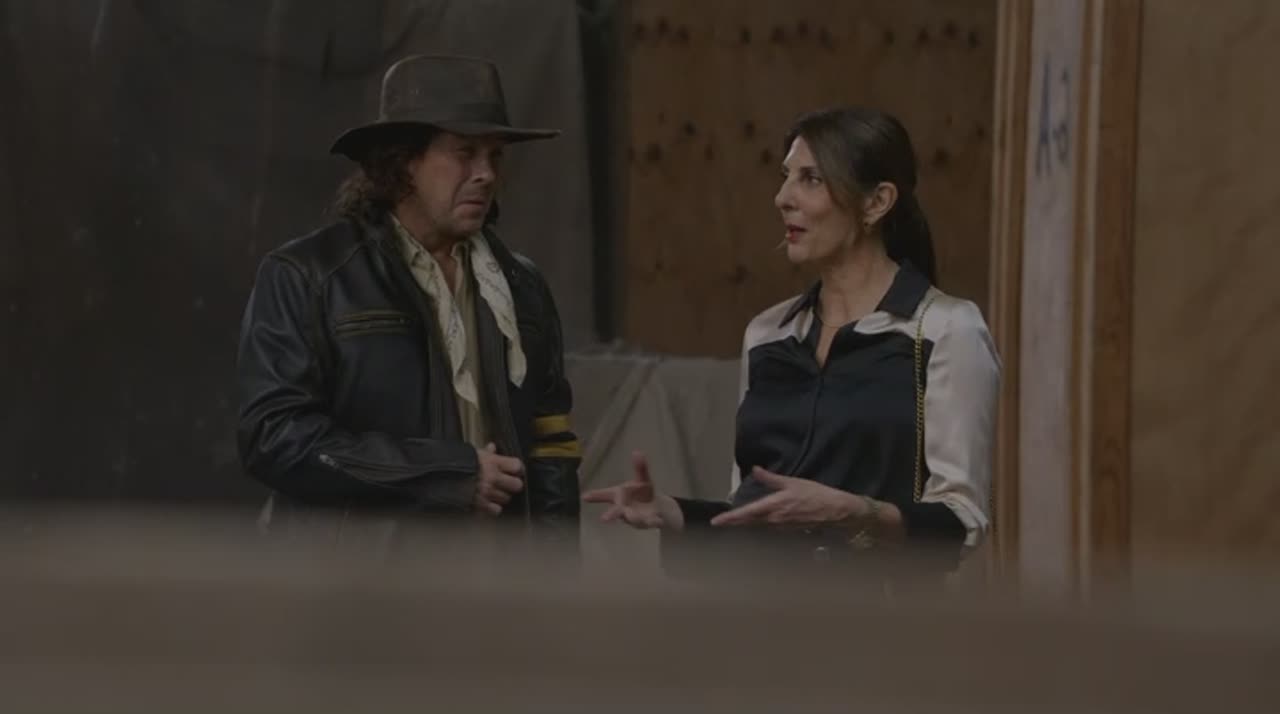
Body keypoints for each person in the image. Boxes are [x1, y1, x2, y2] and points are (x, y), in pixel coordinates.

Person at [583, 107, 1000, 583]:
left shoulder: (946, 329)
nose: (783, 198)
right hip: (762, 611)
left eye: (811, 179)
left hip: (876, 618)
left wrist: (855, 512)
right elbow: (754, 512)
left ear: (877, 202)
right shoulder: (768, 333)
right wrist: (674, 513)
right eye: (786, 177)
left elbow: (962, 521)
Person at [236, 54, 581, 556]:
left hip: (493, 582)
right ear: (403, 163)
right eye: (465, 153)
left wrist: (555, 579)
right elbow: (274, 438)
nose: (486, 174)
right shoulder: (309, 276)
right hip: (357, 583)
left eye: (495, 156)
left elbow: (551, 446)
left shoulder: (522, 286)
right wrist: (446, 473)